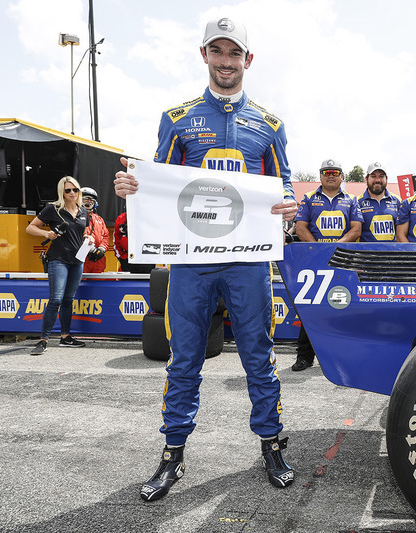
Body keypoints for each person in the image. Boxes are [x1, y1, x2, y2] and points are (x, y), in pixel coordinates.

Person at [112, 17, 299, 500]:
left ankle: (271, 444)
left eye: (233, 52)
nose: (225, 61)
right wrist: (132, 187)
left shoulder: (270, 123)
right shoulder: (177, 117)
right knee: (184, 359)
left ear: (247, 60)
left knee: (259, 357)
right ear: (204, 56)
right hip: (192, 261)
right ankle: (172, 455)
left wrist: (288, 205)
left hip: (248, 262)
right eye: (216, 51)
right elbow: (155, 180)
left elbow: (283, 185)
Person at [292, 158, 363, 371]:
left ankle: (342, 357)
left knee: (344, 307)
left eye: (335, 172)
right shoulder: (308, 198)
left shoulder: (351, 199)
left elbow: (356, 229)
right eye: (326, 172)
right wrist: (319, 251)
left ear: (342, 177)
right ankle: (304, 356)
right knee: (311, 308)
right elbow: (300, 227)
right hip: (314, 262)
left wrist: (334, 249)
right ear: (320, 176)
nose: (330, 175)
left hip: (343, 262)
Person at [25, 176, 92, 355]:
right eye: (68, 190)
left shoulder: (83, 211)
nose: (72, 193)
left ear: (79, 191)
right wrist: (46, 233)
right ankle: (43, 340)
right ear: (61, 191)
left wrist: (88, 238)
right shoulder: (53, 209)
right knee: (55, 300)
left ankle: (65, 337)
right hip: (58, 259)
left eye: (75, 190)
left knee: (68, 300)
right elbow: (30, 228)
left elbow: (83, 231)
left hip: (77, 261)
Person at [357, 162, 400, 242]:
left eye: (381, 176)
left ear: (386, 179)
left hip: (392, 253)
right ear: (366, 179)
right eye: (373, 176)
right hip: (366, 253)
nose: (377, 180)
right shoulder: (357, 202)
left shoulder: (397, 201)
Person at [81, 187, 109, 273]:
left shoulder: (99, 219)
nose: (89, 202)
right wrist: (91, 249)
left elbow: (106, 236)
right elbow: (76, 236)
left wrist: (101, 249)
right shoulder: (74, 218)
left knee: (98, 283)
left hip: (98, 260)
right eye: (85, 199)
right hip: (82, 259)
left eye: (92, 200)